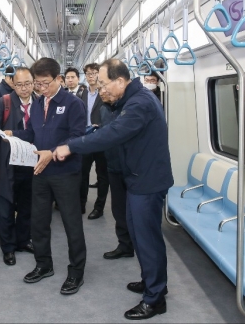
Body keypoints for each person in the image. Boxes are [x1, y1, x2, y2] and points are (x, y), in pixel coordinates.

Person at [54, 58, 173, 320]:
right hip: (138, 178)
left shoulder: (139, 103)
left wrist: (71, 146)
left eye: (105, 83)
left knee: (148, 239)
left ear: (120, 81)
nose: (102, 89)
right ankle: (152, 282)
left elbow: (113, 133)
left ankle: (155, 299)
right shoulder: (131, 100)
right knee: (141, 236)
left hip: (147, 181)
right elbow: (112, 128)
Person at [7, 57, 87, 295]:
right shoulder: (37, 103)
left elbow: (77, 138)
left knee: (71, 223)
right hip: (40, 172)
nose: (40, 88)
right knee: (39, 222)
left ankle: (76, 272)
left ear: (59, 79)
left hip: (65, 173)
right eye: (37, 84)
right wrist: (14, 135)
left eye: (44, 83)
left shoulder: (73, 104)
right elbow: (33, 132)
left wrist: (51, 153)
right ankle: (43, 264)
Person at [0, 67, 35, 266]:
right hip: (7, 165)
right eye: (20, 84)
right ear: (13, 85)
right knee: (5, 209)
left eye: (28, 84)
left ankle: (23, 241)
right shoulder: (3, 103)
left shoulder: (40, 104)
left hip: (31, 164)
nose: (24, 88)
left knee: (27, 207)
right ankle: (8, 248)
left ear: (33, 83)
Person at [97, 87, 135, 261]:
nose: (102, 92)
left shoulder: (131, 106)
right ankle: (125, 245)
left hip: (133, 168)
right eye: (99, 89)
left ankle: (140, 245)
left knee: (137, 210)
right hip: (113, 165)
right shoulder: (104, 109)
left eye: (105, 87)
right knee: (118, 209)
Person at [77, 63, 109, 219]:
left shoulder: (106, 92)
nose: (91, 76)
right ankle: (81, 204)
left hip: (102, 137)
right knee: (82, 174)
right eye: (88, 74)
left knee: (102, 175)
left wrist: (101, 125)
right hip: (86, 138)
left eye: (94, 73)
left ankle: (99, 207)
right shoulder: (81, 93)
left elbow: (111, 115)